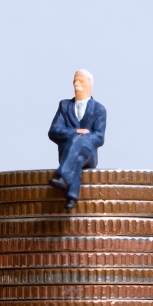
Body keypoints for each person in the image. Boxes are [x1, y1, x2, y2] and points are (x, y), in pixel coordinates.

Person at [47, 69, 107, 209]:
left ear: (90, 84)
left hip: (89, 154)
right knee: (78, 159)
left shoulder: (99, 109)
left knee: (77, 140)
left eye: (80, 80)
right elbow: (53, 131)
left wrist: (81, 138)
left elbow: (99, 137)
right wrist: (77, 132)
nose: (76, 83)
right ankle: (72, 198)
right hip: (68, 155)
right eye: (74, 80)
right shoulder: (64, 105)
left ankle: (62, 175)